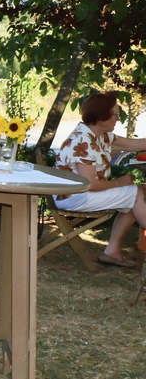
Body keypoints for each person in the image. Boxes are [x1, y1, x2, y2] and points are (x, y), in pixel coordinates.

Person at [53, 92, 146, 267]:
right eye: (116, 115)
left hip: (79, 193)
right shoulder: (84, 141)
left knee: (133, 197)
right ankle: (113, 251)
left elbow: (137, 144)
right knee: (137, 193)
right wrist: (118, 183)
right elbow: (89, 184)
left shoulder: (99, 135)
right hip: (73, 197)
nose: (118, 119)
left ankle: (112, 252)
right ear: (102, 118)